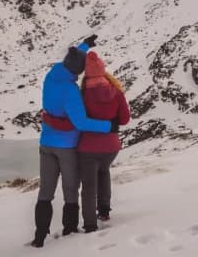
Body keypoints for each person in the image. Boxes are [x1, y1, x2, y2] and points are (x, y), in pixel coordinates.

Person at [32, 36, 119, 248]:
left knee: (45, 191)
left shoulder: (51, 76)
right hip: (66, 146)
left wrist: (85, 46)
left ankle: (39, 237)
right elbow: (80, 122)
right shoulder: (70, 90)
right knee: (70, 190)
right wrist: (109, 126)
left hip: (46, 143)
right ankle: (69, 230)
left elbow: (72, 59)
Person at [77, 50, 131, 231]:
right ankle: (104, 210)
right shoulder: (116, 92)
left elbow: (78, 121)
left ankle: (90, 223)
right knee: (104, 172)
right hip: (111, 146)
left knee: (89, 185)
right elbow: (124, 119)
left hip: (88, 147)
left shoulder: (82, 94)